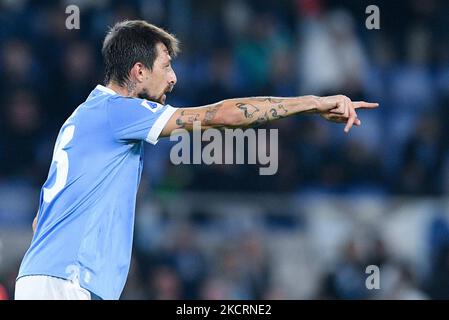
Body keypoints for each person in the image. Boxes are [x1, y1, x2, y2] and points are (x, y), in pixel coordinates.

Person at [15, 20, 378, 300]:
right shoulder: (118, 111)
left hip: (51, 278)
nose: (173, 78)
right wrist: (312, 104)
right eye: (166, 66)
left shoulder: (83, 118)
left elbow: (39, 222)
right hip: (68, 283)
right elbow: (221, 115)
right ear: (139, 71)